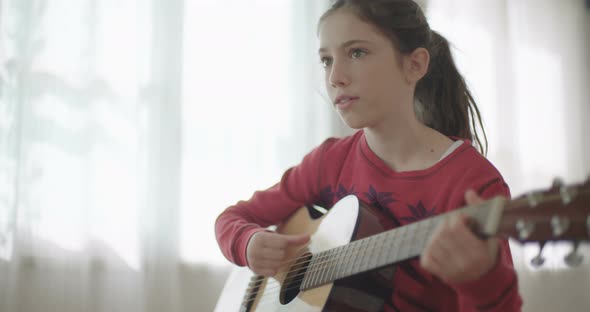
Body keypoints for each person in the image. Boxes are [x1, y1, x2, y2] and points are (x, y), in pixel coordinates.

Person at [215, 0, 523, 311]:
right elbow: (232, 219)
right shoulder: (329, 162)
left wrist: (482, 281)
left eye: (357, 52)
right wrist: (247, 242)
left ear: (414, 64)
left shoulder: (472, 183)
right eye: (326, 60)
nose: (335, 77)